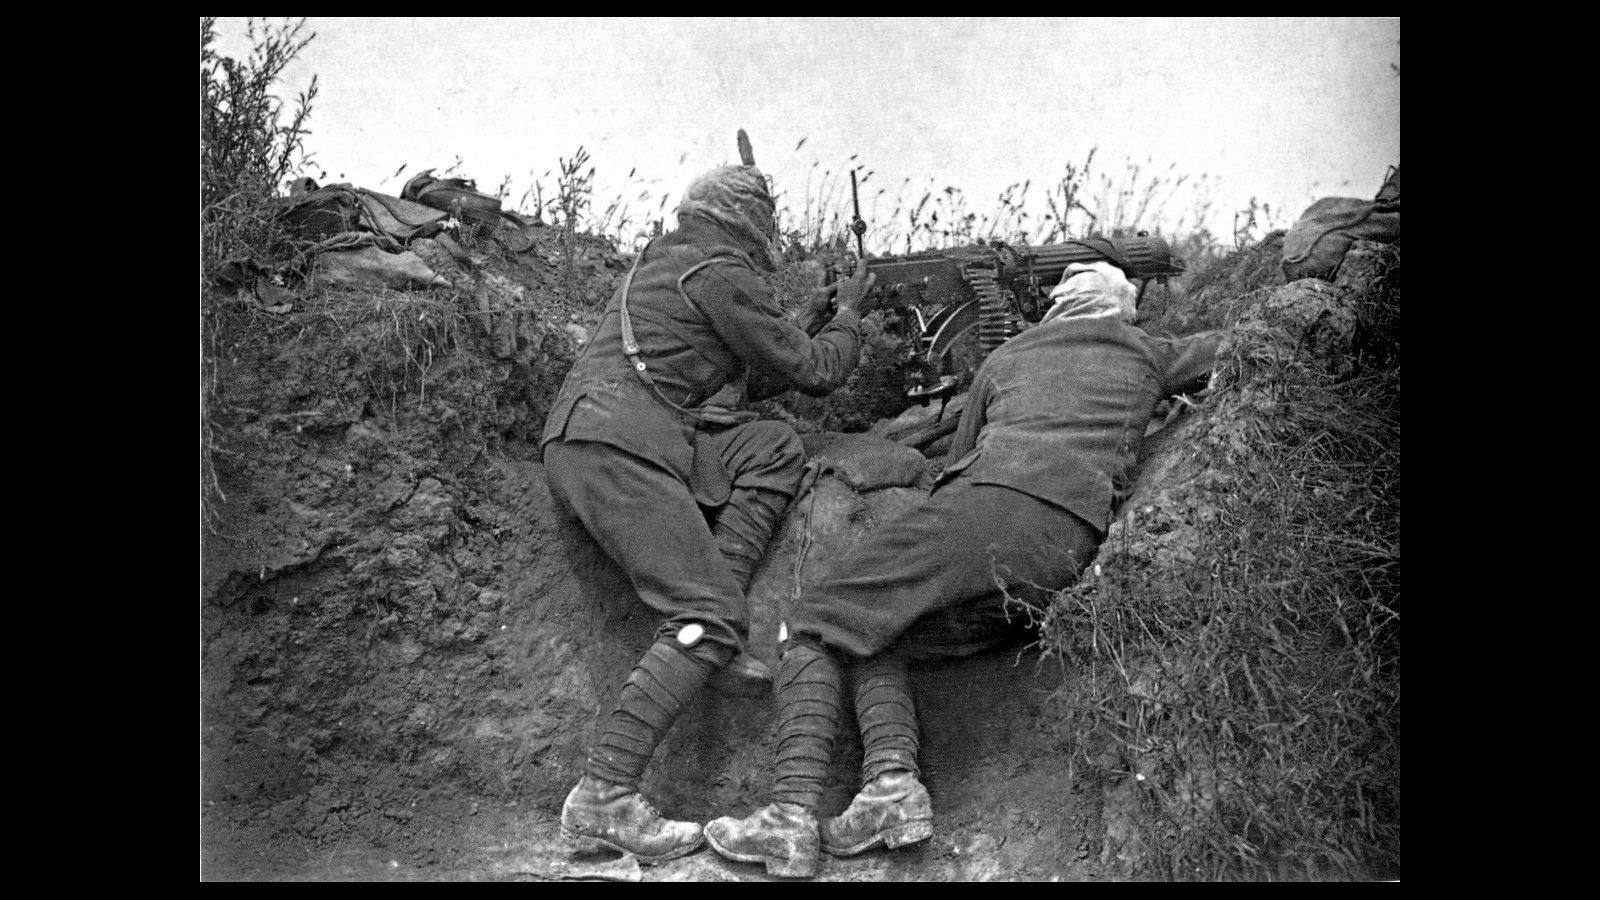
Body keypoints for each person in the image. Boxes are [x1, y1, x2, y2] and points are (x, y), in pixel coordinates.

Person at [704, 258, 1223, 878]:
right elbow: (1233, 345)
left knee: (815, 617)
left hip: (986, 509)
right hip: (1068, 550)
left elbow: (953, 460)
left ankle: (787, 816)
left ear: (1060, 306)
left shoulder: (1010, 356)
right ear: (1123, 310)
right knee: (880, 628)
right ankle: (890, 796)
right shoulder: (1149, 352)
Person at [541, 161, 878, 863]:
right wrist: (848, 315)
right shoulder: (722, 269)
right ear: (747, 223)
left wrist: (807, 319)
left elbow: (755, 364)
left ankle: (719, 599)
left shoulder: (671, 261)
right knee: (708, 615)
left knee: (772, 446)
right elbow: (814, 373)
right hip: (618, 444)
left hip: (615, 430)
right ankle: (601, 797)